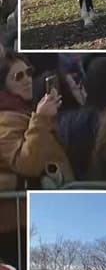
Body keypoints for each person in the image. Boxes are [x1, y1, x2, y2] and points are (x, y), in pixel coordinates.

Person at [0, 52, 72, 189]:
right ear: (4, 85)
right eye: (18, 77)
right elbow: (26, 164)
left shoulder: (21, 110)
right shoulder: (4, 118)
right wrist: (42, 118)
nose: (27, 79)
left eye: (28, 72)